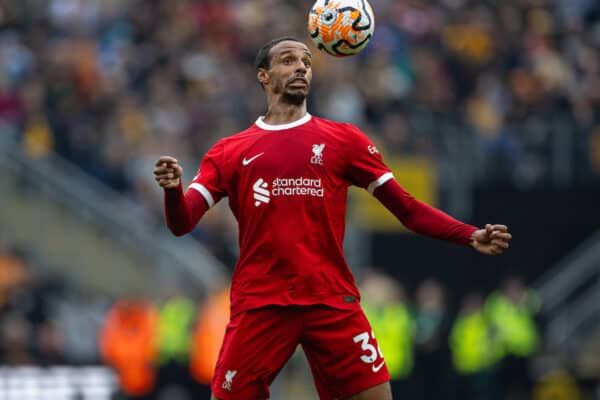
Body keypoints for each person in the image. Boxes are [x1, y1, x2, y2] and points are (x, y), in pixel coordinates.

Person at [153, 36, 512, 400]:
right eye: (288, 60)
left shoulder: (344, 141)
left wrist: (467, 235)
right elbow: (181, 223)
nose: (300, 68)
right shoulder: (230, 152)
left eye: (306, 62)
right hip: (262, 304)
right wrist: (172, 190)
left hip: (330, 300)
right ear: (263, 75)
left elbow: (406, 208)